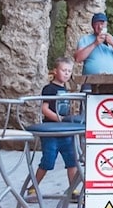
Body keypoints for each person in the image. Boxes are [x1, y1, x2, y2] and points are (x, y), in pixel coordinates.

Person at [32, 57, 82, 197]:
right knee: (48, 160)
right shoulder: (49, 89)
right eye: (63, 70)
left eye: (69, 71)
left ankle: (72, 189)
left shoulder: (65, 89)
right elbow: (45, 108)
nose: (66, 73)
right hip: (51, 131)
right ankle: (34, 186)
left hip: (65, 130)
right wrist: (59, 119)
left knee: (71, 160)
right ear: (55, 71)